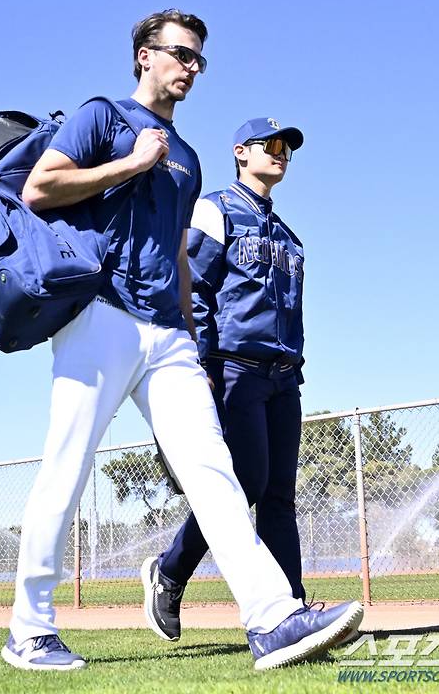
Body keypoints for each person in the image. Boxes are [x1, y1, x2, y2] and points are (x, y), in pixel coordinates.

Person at [0, 9, 363, 672]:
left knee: (216, 476)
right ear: (145, 55)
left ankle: (273, 617)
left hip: (169, 337)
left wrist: (192, 339)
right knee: (66, 471)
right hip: (101, 316)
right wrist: (129, 164)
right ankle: (29, 631)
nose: (192, 68)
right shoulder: (103, 118)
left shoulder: (189, 159)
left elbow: (179, 256)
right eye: (181, 54)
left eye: (199, 59)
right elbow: (39, 189)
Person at [142, 116, 308, 643]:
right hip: (233, 369)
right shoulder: (216, 209)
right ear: (241, 151)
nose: (281, 153)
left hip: (284, 374)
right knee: (245, 485)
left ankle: (293, 610)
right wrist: (203, 365)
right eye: (272, 144)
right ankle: (169, 572)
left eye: (288, 148)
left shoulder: (288, 234)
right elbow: (195, 290)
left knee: (279, 494)